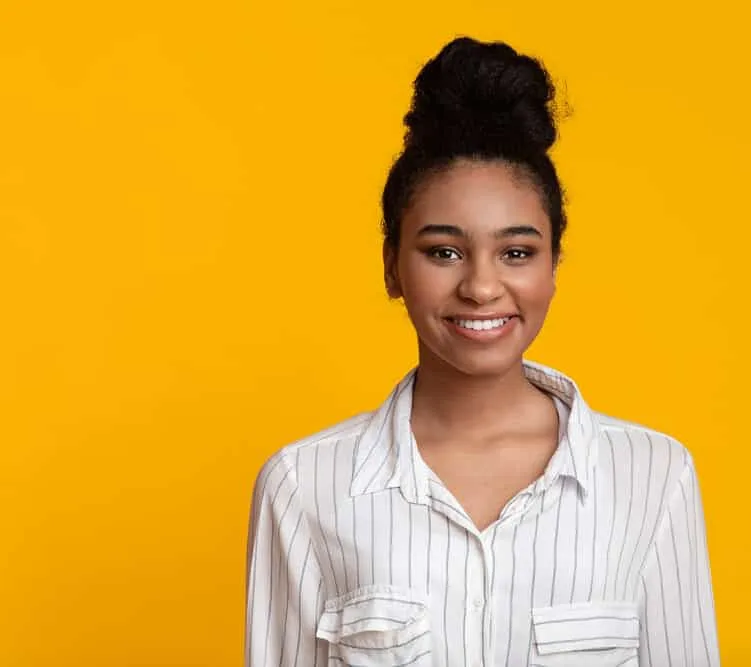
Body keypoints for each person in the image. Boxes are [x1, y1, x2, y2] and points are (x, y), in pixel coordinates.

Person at [245, 36, 720, 667]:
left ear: (553, 266)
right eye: (443, 251)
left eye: (516, 252)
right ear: (392, 268)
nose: (481, 286)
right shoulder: (303, 486)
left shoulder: (655, 476)